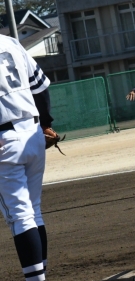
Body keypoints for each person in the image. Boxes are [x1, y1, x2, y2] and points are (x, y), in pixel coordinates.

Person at [0, 34, 53, 281]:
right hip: (33, 133)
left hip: (5, 140)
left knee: (20, 216)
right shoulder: (10, 42)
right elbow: (40, 88)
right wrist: (46, 124)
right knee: (34, 211)